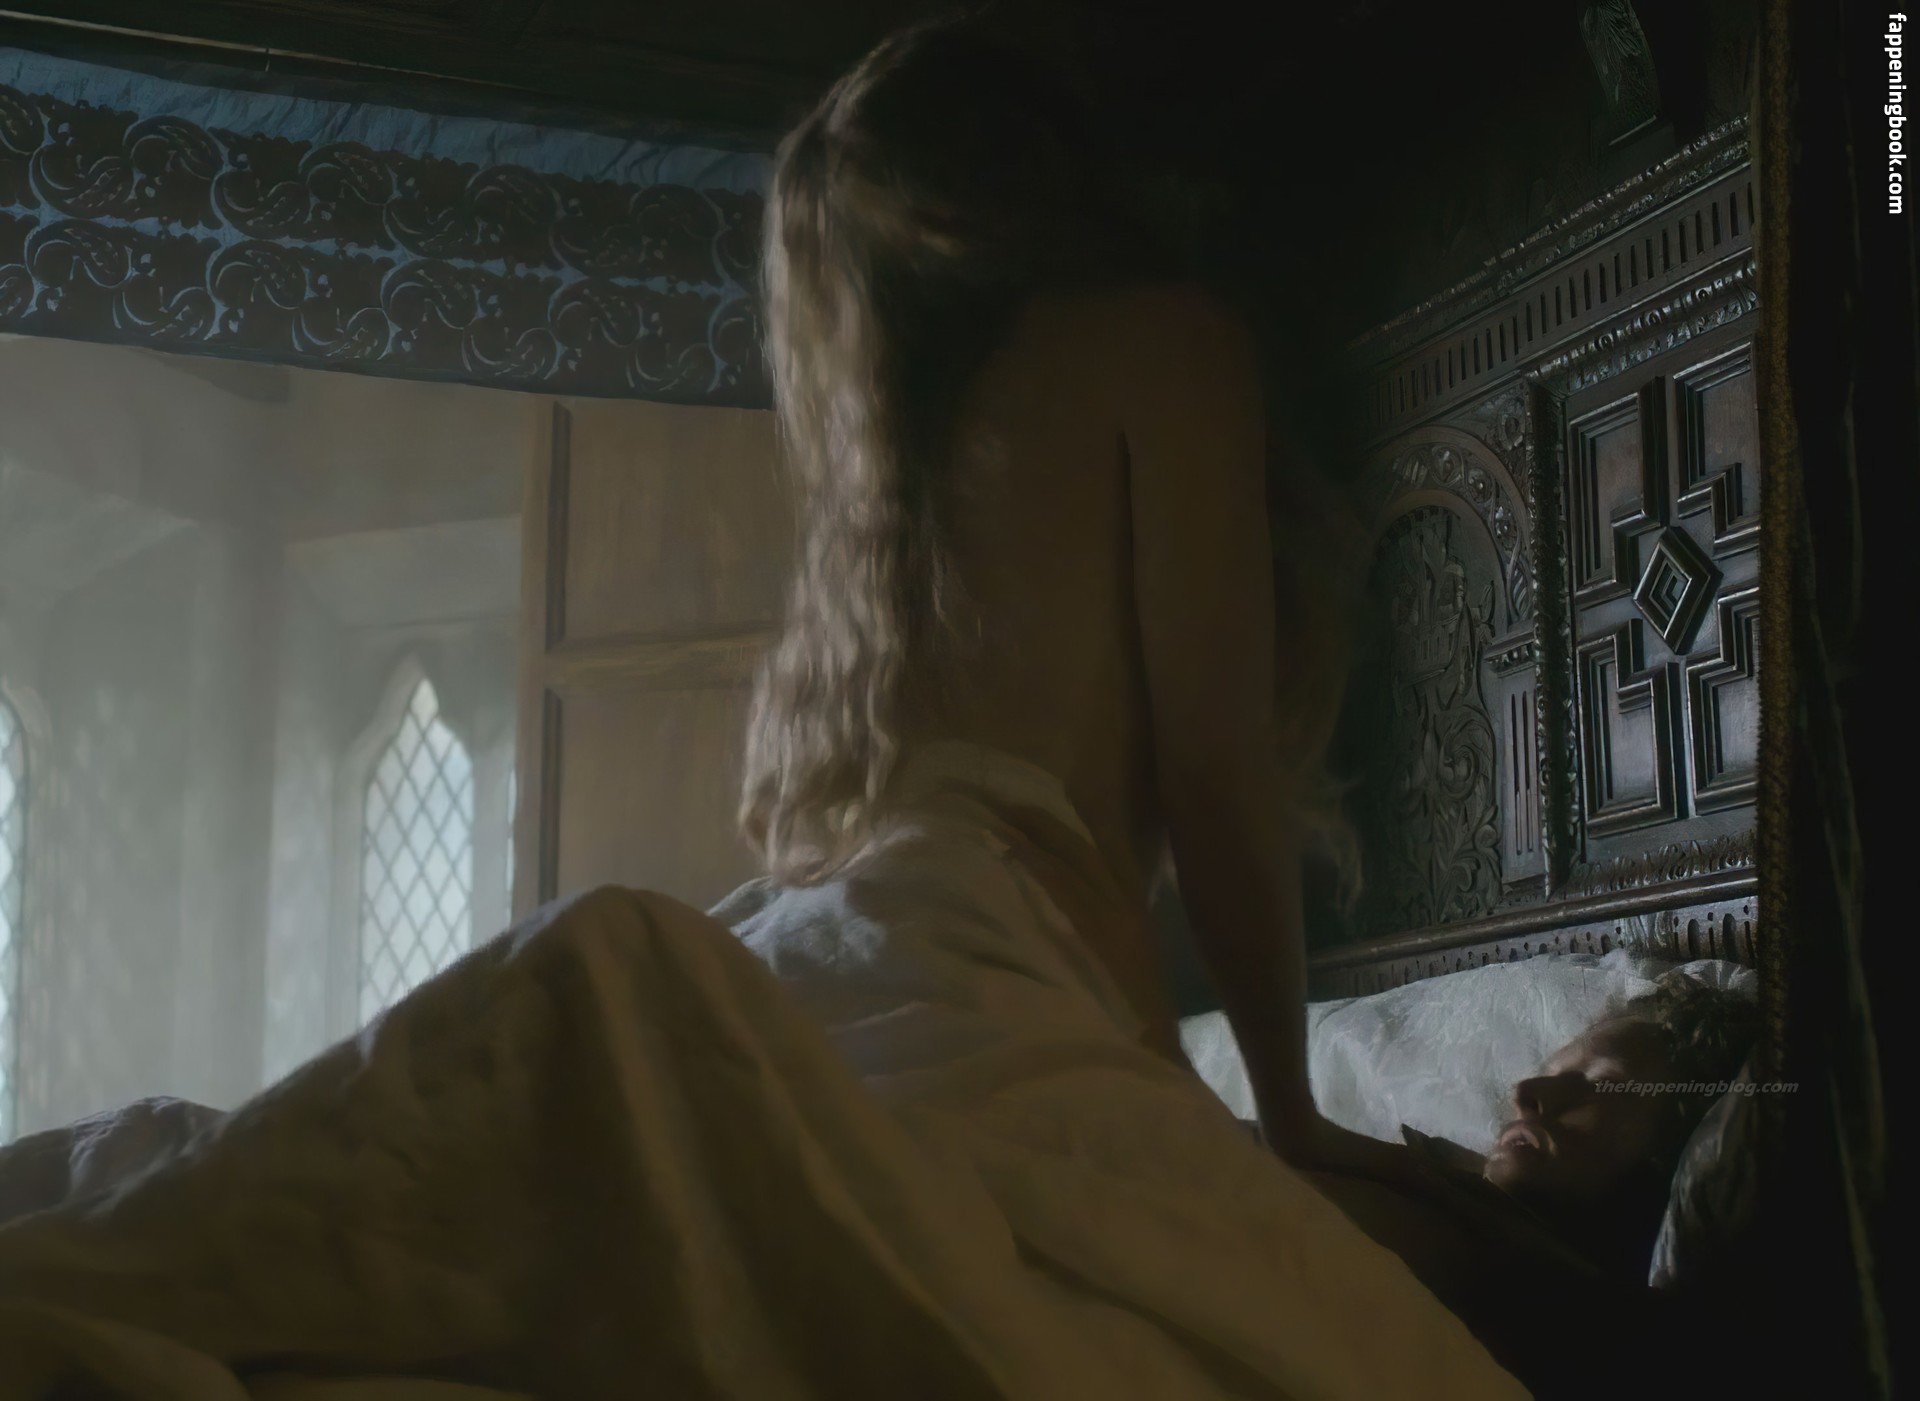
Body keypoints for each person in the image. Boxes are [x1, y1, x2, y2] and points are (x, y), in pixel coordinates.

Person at [0, 16, 1521, 1398]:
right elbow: (1216, 768)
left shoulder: (903, 466)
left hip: (830, 940)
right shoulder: (1159, 341)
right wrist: (1285, 1114)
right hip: (957, 940)